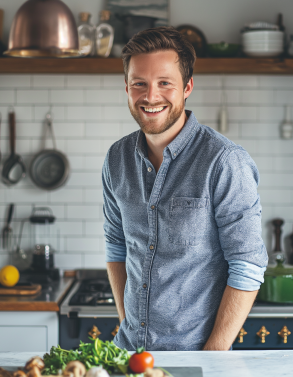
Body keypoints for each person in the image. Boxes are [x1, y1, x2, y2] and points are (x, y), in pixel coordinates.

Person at [102, 26, 268, 351]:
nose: (150, 96)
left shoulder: (224, 162)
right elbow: (115, 244)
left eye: (165, 83)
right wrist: (127, 325)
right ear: (126, 87)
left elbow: (248, 264)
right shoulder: (116, 158)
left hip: (196, 357)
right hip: (129, 354)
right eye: (140, 84)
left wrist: (213, 357)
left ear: (187, 87)